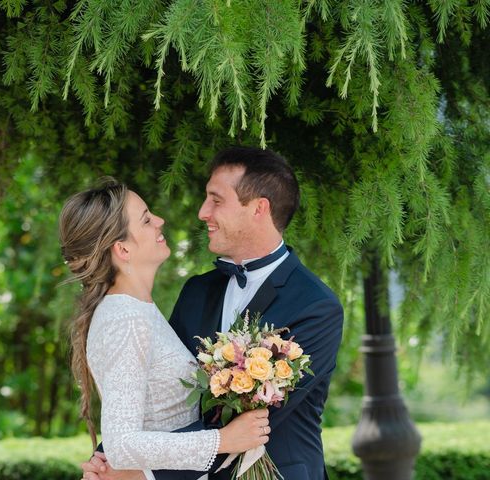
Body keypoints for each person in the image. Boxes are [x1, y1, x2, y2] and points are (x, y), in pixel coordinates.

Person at [82, 147, 344, 480]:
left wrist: (138, 473)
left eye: (216, 200)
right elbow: (164, 394)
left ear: (258, 209)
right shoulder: (197, 291)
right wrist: (107, 457)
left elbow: (246, 425)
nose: (203, 212)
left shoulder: (315, 306)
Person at [59, 178, 271, 480]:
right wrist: (223, 440)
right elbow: (122, 444)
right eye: (146, 220)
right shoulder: (125, 319)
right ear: (123, 249)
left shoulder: (137, 310)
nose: (159, 221)